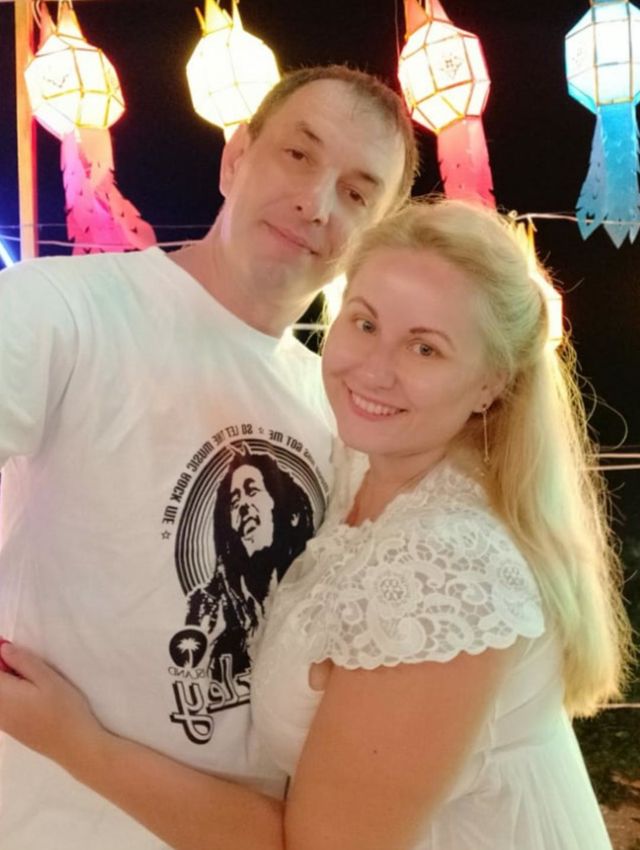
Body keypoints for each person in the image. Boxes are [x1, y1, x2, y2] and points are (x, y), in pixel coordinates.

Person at [0, 198, 631, 850]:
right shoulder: (360, 469)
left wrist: (75, 743)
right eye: (365, 322)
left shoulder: (443, 561)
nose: (374, 370)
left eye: (425, 348)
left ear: (489, 385)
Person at [0, 64, 417, 849]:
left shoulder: (343, 414)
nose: (317, 203)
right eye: (299, 155)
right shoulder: (60, 310)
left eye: (358, 193)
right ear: (237, 158)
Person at [184, 447, 315, 695]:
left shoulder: (315, 593)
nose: (243, 505)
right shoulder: (218, 628)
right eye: (234, 502)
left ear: (288, 510)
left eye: (252, 491)